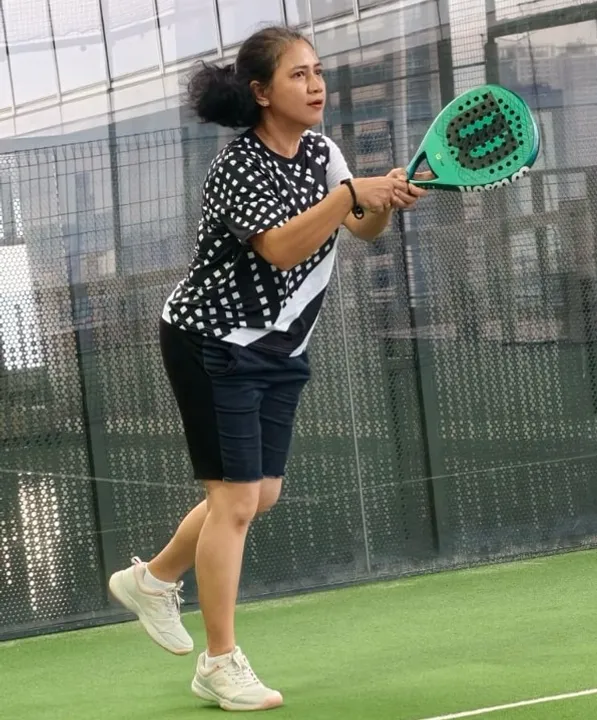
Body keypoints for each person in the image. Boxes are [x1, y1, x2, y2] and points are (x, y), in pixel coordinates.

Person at [107, 25, 428, 712]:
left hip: (279, 346)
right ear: (260, 92)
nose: (316, 86)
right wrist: (351, 195)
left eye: (318, 72)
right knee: (234, 502)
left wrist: (380, 203)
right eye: (298, 75)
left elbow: (358, 227)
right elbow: (282, 248)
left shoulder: (322, 152)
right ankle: (219, 663)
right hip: (210, 340)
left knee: (261, 494)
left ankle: (154, 581)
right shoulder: (237, 167)